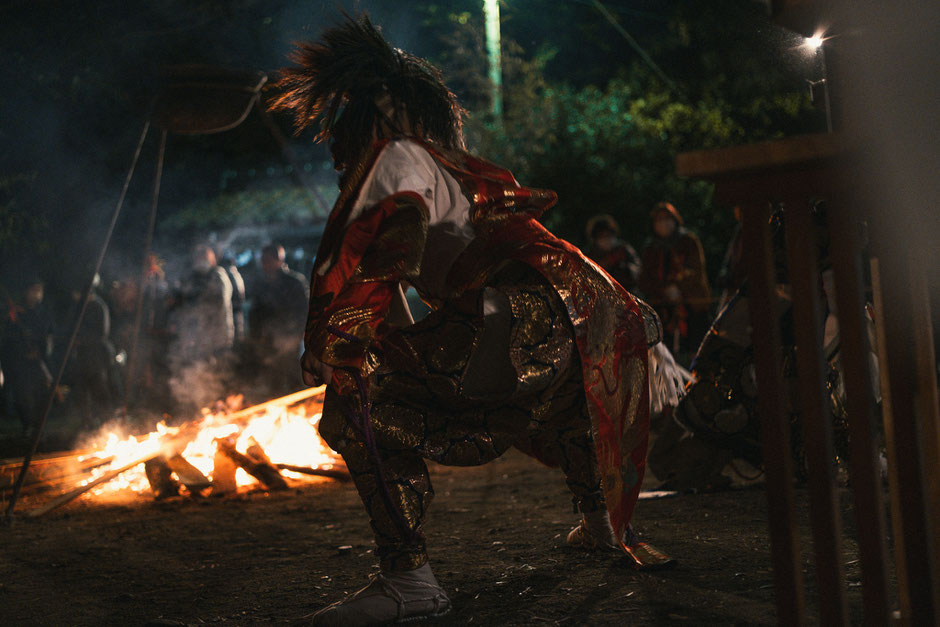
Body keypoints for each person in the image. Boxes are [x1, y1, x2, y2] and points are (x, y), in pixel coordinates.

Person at [270, 15, 681, 625]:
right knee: (564, 402)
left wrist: (346, 342)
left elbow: (396, 242)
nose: (333, 146)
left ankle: (409, 580)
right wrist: (391, 338)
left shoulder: (398, 156)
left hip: (512, 317)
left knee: (358, 405)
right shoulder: (444, 165)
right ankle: (599, 525)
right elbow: (412, 281)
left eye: (339, 129)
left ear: (372, 119)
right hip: (567, 317)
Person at [639, 202, 711, 360]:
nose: (663, 223)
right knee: (664, 356)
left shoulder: (688, 241)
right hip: (662, 310)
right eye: (659, 220)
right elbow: (644, 280)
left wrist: (678, 287)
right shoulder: (650, 248)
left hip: (692, 306)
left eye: (667, 218)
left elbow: (696, 271)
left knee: (697, 352)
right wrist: (664, 290)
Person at [167, 244, 234, 411]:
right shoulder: (194, 279)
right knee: (197, 380)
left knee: (214, 380)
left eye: (202, 259)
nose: (199, 263)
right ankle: (201, 415)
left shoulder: (218, 276)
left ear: (210, 260)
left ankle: (218, 417)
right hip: (197, 343)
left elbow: (213, 302)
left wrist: (188, 298)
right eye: (197, 259)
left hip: (216, 341)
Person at [247, 243, 308, 395]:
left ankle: (299, 409)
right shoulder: (261, 284)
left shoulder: (295, 282)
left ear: (279, 260)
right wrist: (256, 336)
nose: (264, 265)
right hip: (267, 340)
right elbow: (255, 314)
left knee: (293, 377)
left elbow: (304, 311)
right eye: (262, 261)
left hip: (289, 340)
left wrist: (297, 334)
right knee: (273, 381)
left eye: (267, 260)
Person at [0, 279, 55, 435]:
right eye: (34, 290)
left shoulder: (44, 313)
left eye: (39, 291)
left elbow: (49, 335)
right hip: (21, 362)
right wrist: (22, 349)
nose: (36, 294)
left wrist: (42, 351)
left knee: (41, 395)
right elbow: (9, 337)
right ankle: (27, 425)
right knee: (23, 395)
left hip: (39, 361)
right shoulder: (17, 312)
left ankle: (39, 427)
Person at [584, 214, 641, 291]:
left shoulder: (623, 249)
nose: (605, 239)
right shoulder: (590, 256)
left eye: (608, 235)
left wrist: (624, 269)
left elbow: (637, 270)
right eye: (601, 236)